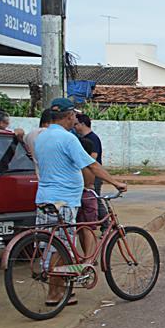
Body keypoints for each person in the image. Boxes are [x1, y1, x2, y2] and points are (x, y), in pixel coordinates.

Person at [33, 98, 126, 305]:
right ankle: (53, 294)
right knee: (61, 248)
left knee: (50, 244)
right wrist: (115, 182)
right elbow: (92, 165)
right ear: (68, 116)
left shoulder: (41, 137)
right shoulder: (67, 139)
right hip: (63, 200)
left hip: (43, 198)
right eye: (74, 115)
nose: (75, 119)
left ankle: (64, 291)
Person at [73, 114, 103, 192]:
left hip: (93, 175)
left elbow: (93, 157)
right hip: (87, 174)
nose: (74, 127)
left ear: (82, 124)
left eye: (76, 124)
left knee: (94, 199)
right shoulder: (82, 138)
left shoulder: (93, 138)